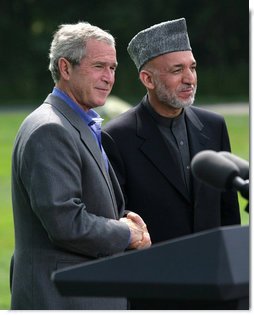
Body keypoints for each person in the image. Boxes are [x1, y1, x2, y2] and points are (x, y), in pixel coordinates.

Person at [10, 22, 151, 310]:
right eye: (99, 66)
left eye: (112, 68)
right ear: (65, 68)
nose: (108, 78)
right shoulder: (50, 129)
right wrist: (126, 233)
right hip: (63, 299)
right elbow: (66, 223)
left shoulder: (78, 122)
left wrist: (125, 219)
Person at [102, 18, 240, 309]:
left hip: (214, 287)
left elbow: (228, 211)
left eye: (192, 67)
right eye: (177, 70)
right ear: (148, 80)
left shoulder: (213, 125)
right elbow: (118, 218)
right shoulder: (117, 137)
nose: (190, 78)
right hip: (155, 291)